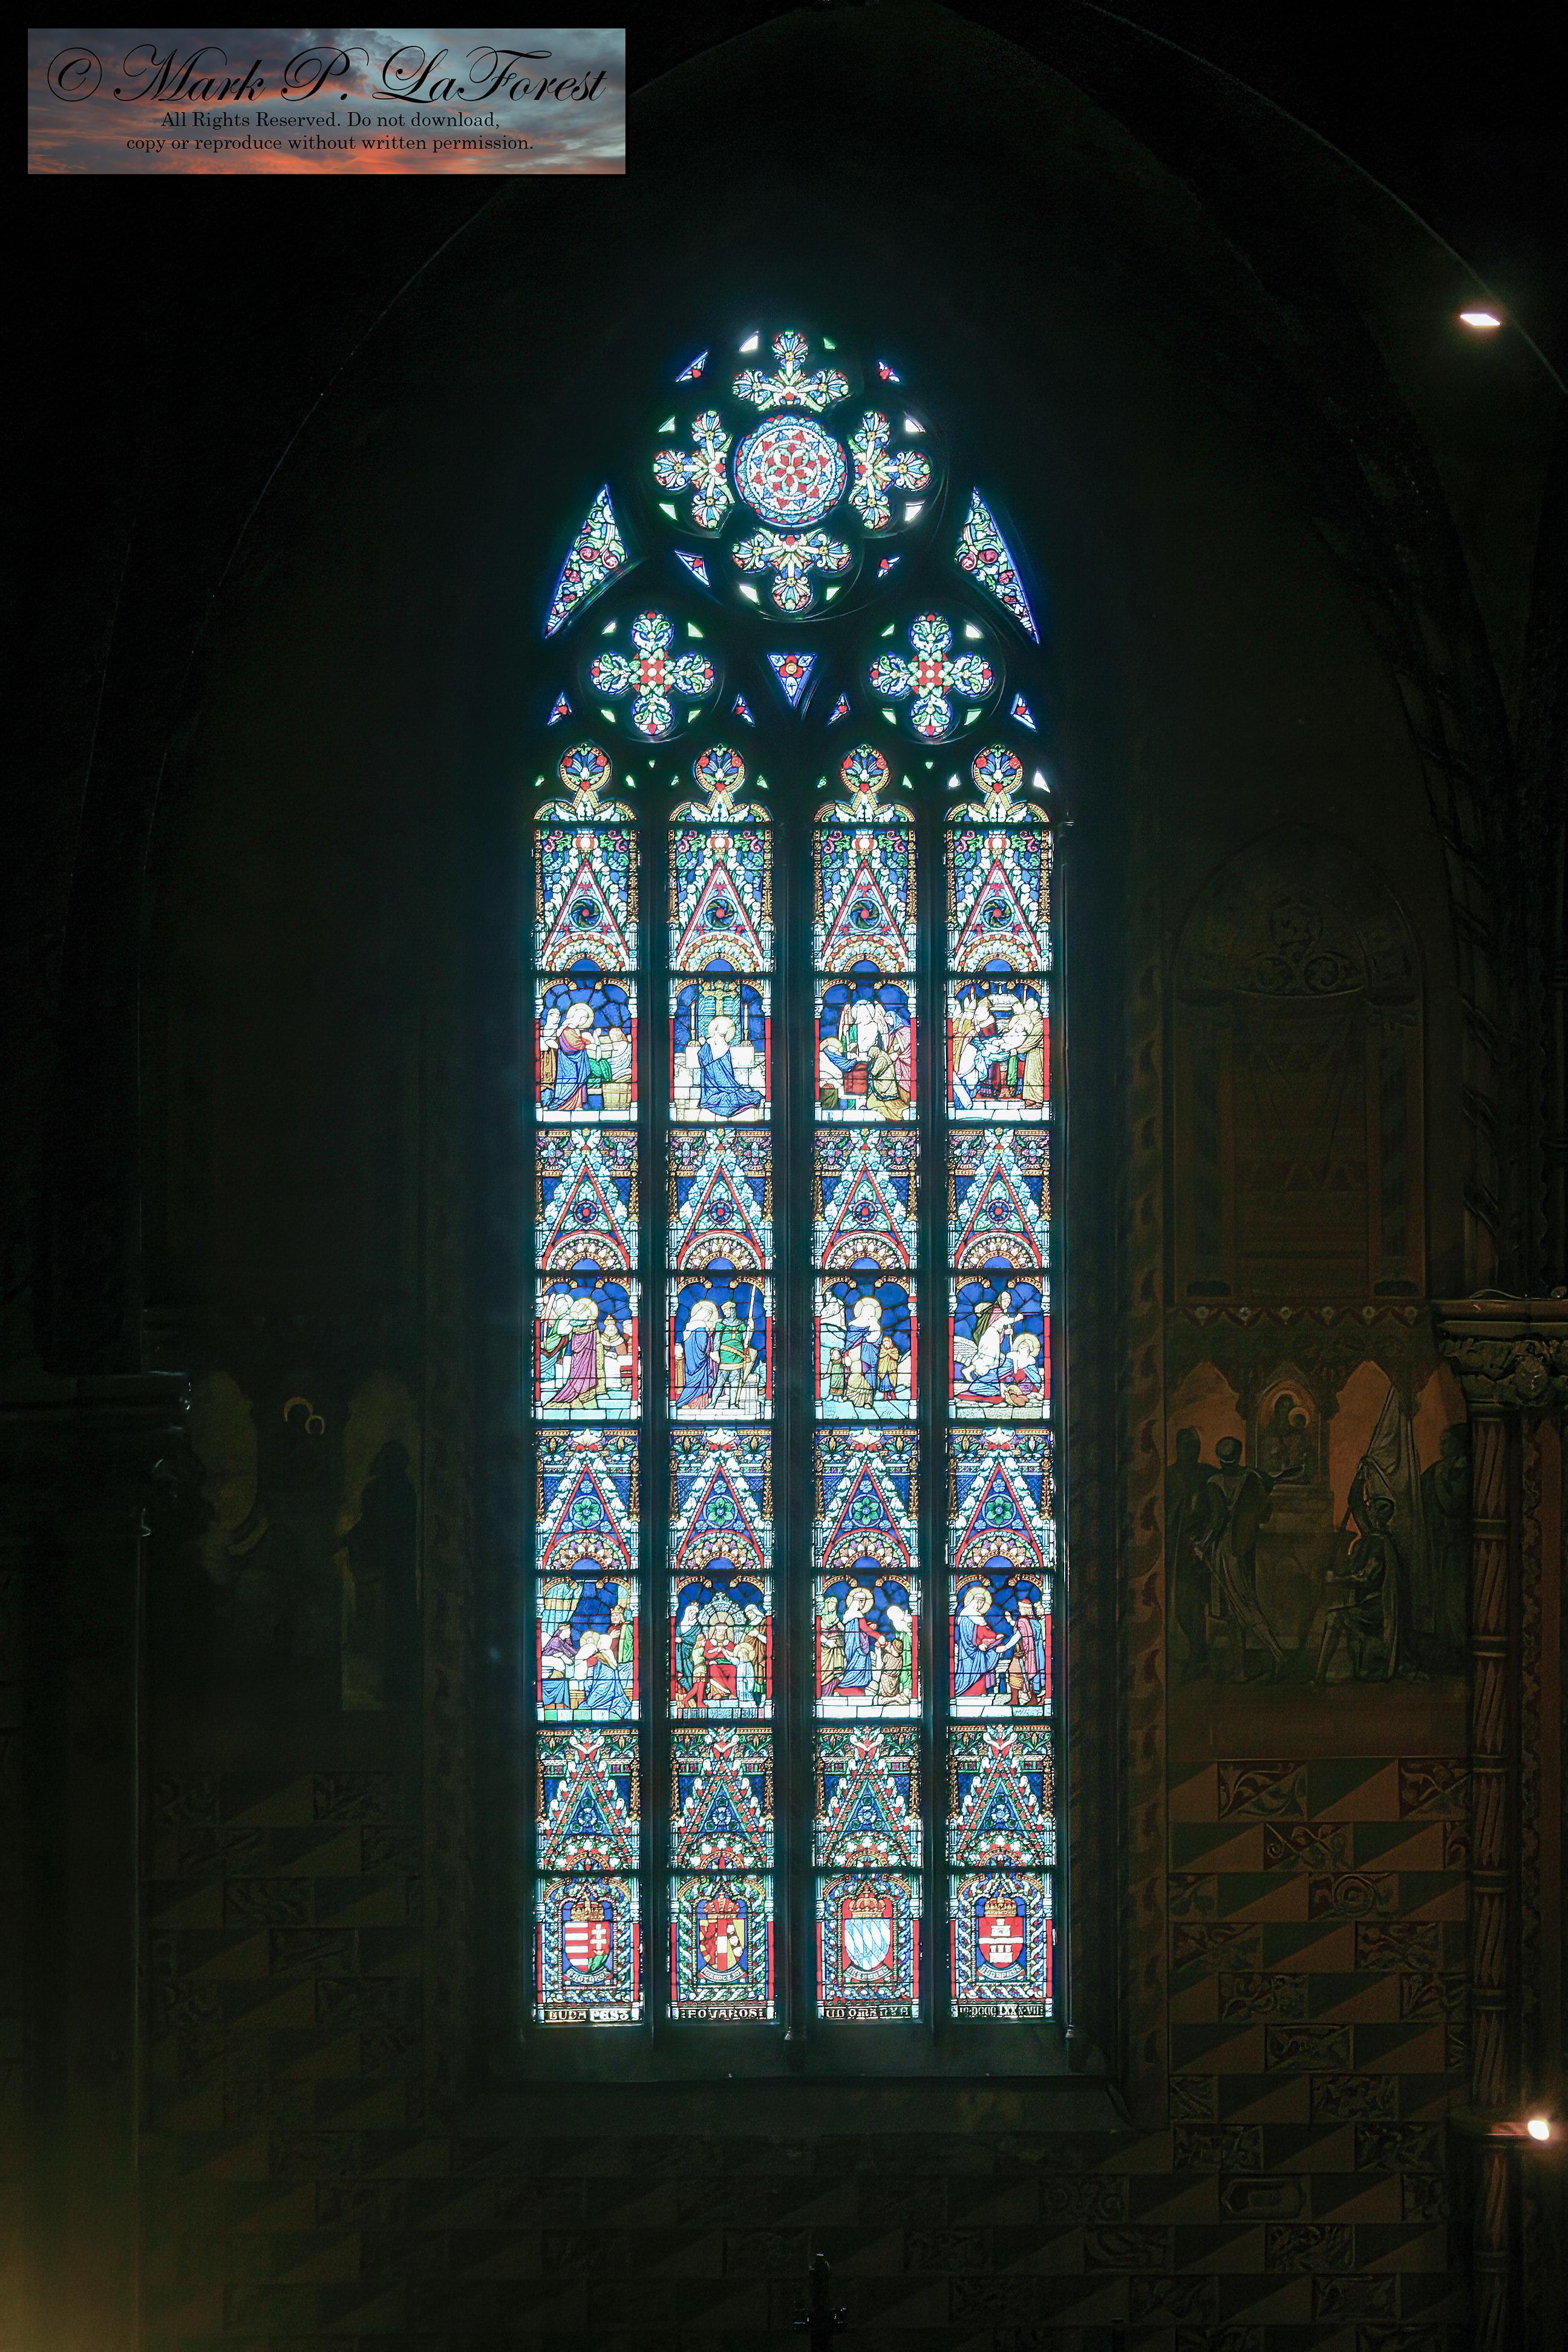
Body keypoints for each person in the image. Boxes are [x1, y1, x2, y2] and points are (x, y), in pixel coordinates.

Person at [1195, 1436, 1289, 1678]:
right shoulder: (1252, 1478)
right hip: (1245, 1546)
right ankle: (1238, 1669)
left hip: (1226, 1548)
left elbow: (1218, 1520)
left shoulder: (1215, 1482)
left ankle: (1277, 1654)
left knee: (1241, 1605)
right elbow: (1264, 1511)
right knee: (1236, 1608)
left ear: (1220, 1458)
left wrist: (1202, 1544)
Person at [953, 1581, 1014, 1701]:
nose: (981, 1605)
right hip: (970, 1651)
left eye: (982, 1603)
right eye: (980, 1602)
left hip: (979, 1650)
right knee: (975, 1667)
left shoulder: (977, 1617)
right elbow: (968, 1635)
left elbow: (984, 1631)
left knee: (989, 1658)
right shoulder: (966, 1616)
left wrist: (995, 1637)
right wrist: (978, 1644)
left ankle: (982, 1691)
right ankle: (968, 1692)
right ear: (974, 1601)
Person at [697, 1014, 763, 1119]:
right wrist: (704, 1044)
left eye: (727, 1026)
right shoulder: (708, 1044)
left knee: (735, 1097)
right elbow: (704, 1062)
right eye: (723, 1026)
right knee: (728, 1099)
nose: (725, 1028)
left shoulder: (726, 1046)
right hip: (711, 1087)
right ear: (716, 1028)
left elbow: (727, 1071)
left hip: (727, 1083)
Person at [544, 1295, 602, 1409]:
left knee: (588, 1371)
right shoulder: (571, 1322)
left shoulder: (592, 1329)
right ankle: (579, 1395)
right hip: (577, 1354)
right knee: (577, 1372)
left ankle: (587, 1395)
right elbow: (564, 1330)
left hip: (588, 1353)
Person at [540, 1000, 595, 1110]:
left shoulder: (574, 1029)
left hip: (577, 1062)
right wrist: (585, 1043)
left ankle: (578, 1105)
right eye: (582, 1018)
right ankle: (562, 1104)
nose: (582, 1021)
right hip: (567, 1062)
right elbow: (570, 1046)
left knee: (579, 1083)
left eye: (585, 1019)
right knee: (570, 1082)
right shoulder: (567, 1029)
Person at [675, 1300, 719, 1408]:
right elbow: (703, 1346)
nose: (708, 1317)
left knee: (691, 1380)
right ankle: (694, 1404)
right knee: (700, 1382)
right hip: (700, 1361)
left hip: (690, 1361)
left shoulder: (688, 1328)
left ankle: (688, 1403)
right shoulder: (701, 1329)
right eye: (708, 1315)